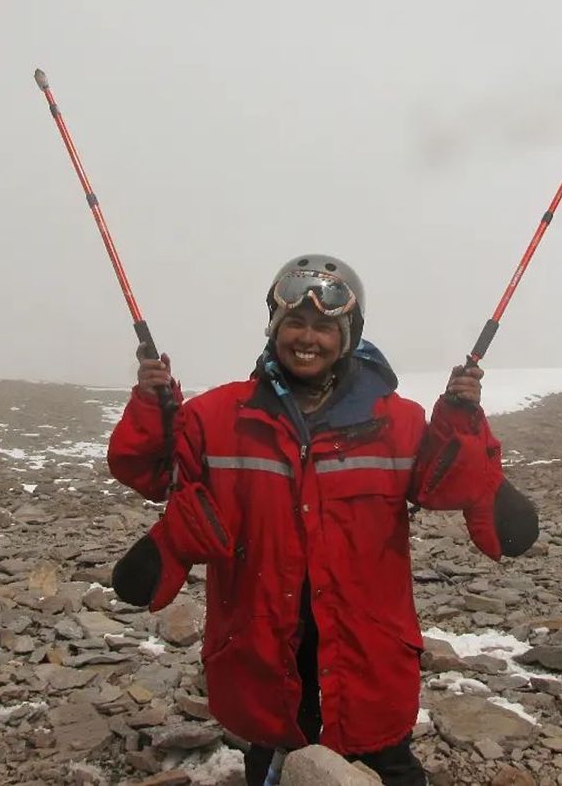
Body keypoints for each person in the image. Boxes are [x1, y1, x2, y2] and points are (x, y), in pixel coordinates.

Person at [107, 255, 538, 786]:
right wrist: (155, 408)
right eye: (294, 322)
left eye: (325, 327)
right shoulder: (216, 417)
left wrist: (459, 420)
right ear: (273, 328)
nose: (307, 338)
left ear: (348, 336)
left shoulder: (397, 422)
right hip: (262, 642)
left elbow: (444, 487)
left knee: (385, 759)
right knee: (273, 755)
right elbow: (154, 475)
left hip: (366, 646)